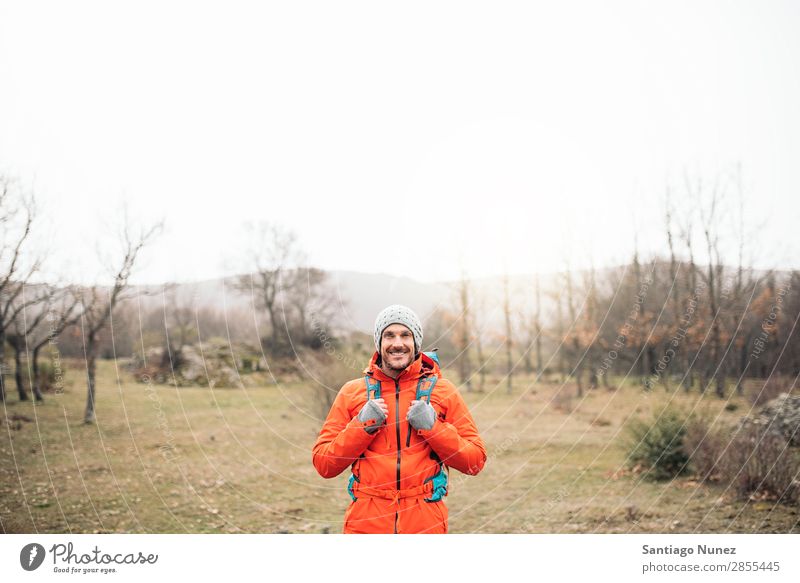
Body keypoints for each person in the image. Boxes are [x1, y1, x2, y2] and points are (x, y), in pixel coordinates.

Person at [312, 304, 487, 534]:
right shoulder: (351, 392)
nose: (397, 343)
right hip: (365, 525)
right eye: (389, 335)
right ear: (379, 343)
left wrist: (434, 428)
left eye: (406, 335)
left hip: (425, 524)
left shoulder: (443, 391)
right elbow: (324, 464)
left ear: (416, 343)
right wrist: (362, 426)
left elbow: (474, 461)